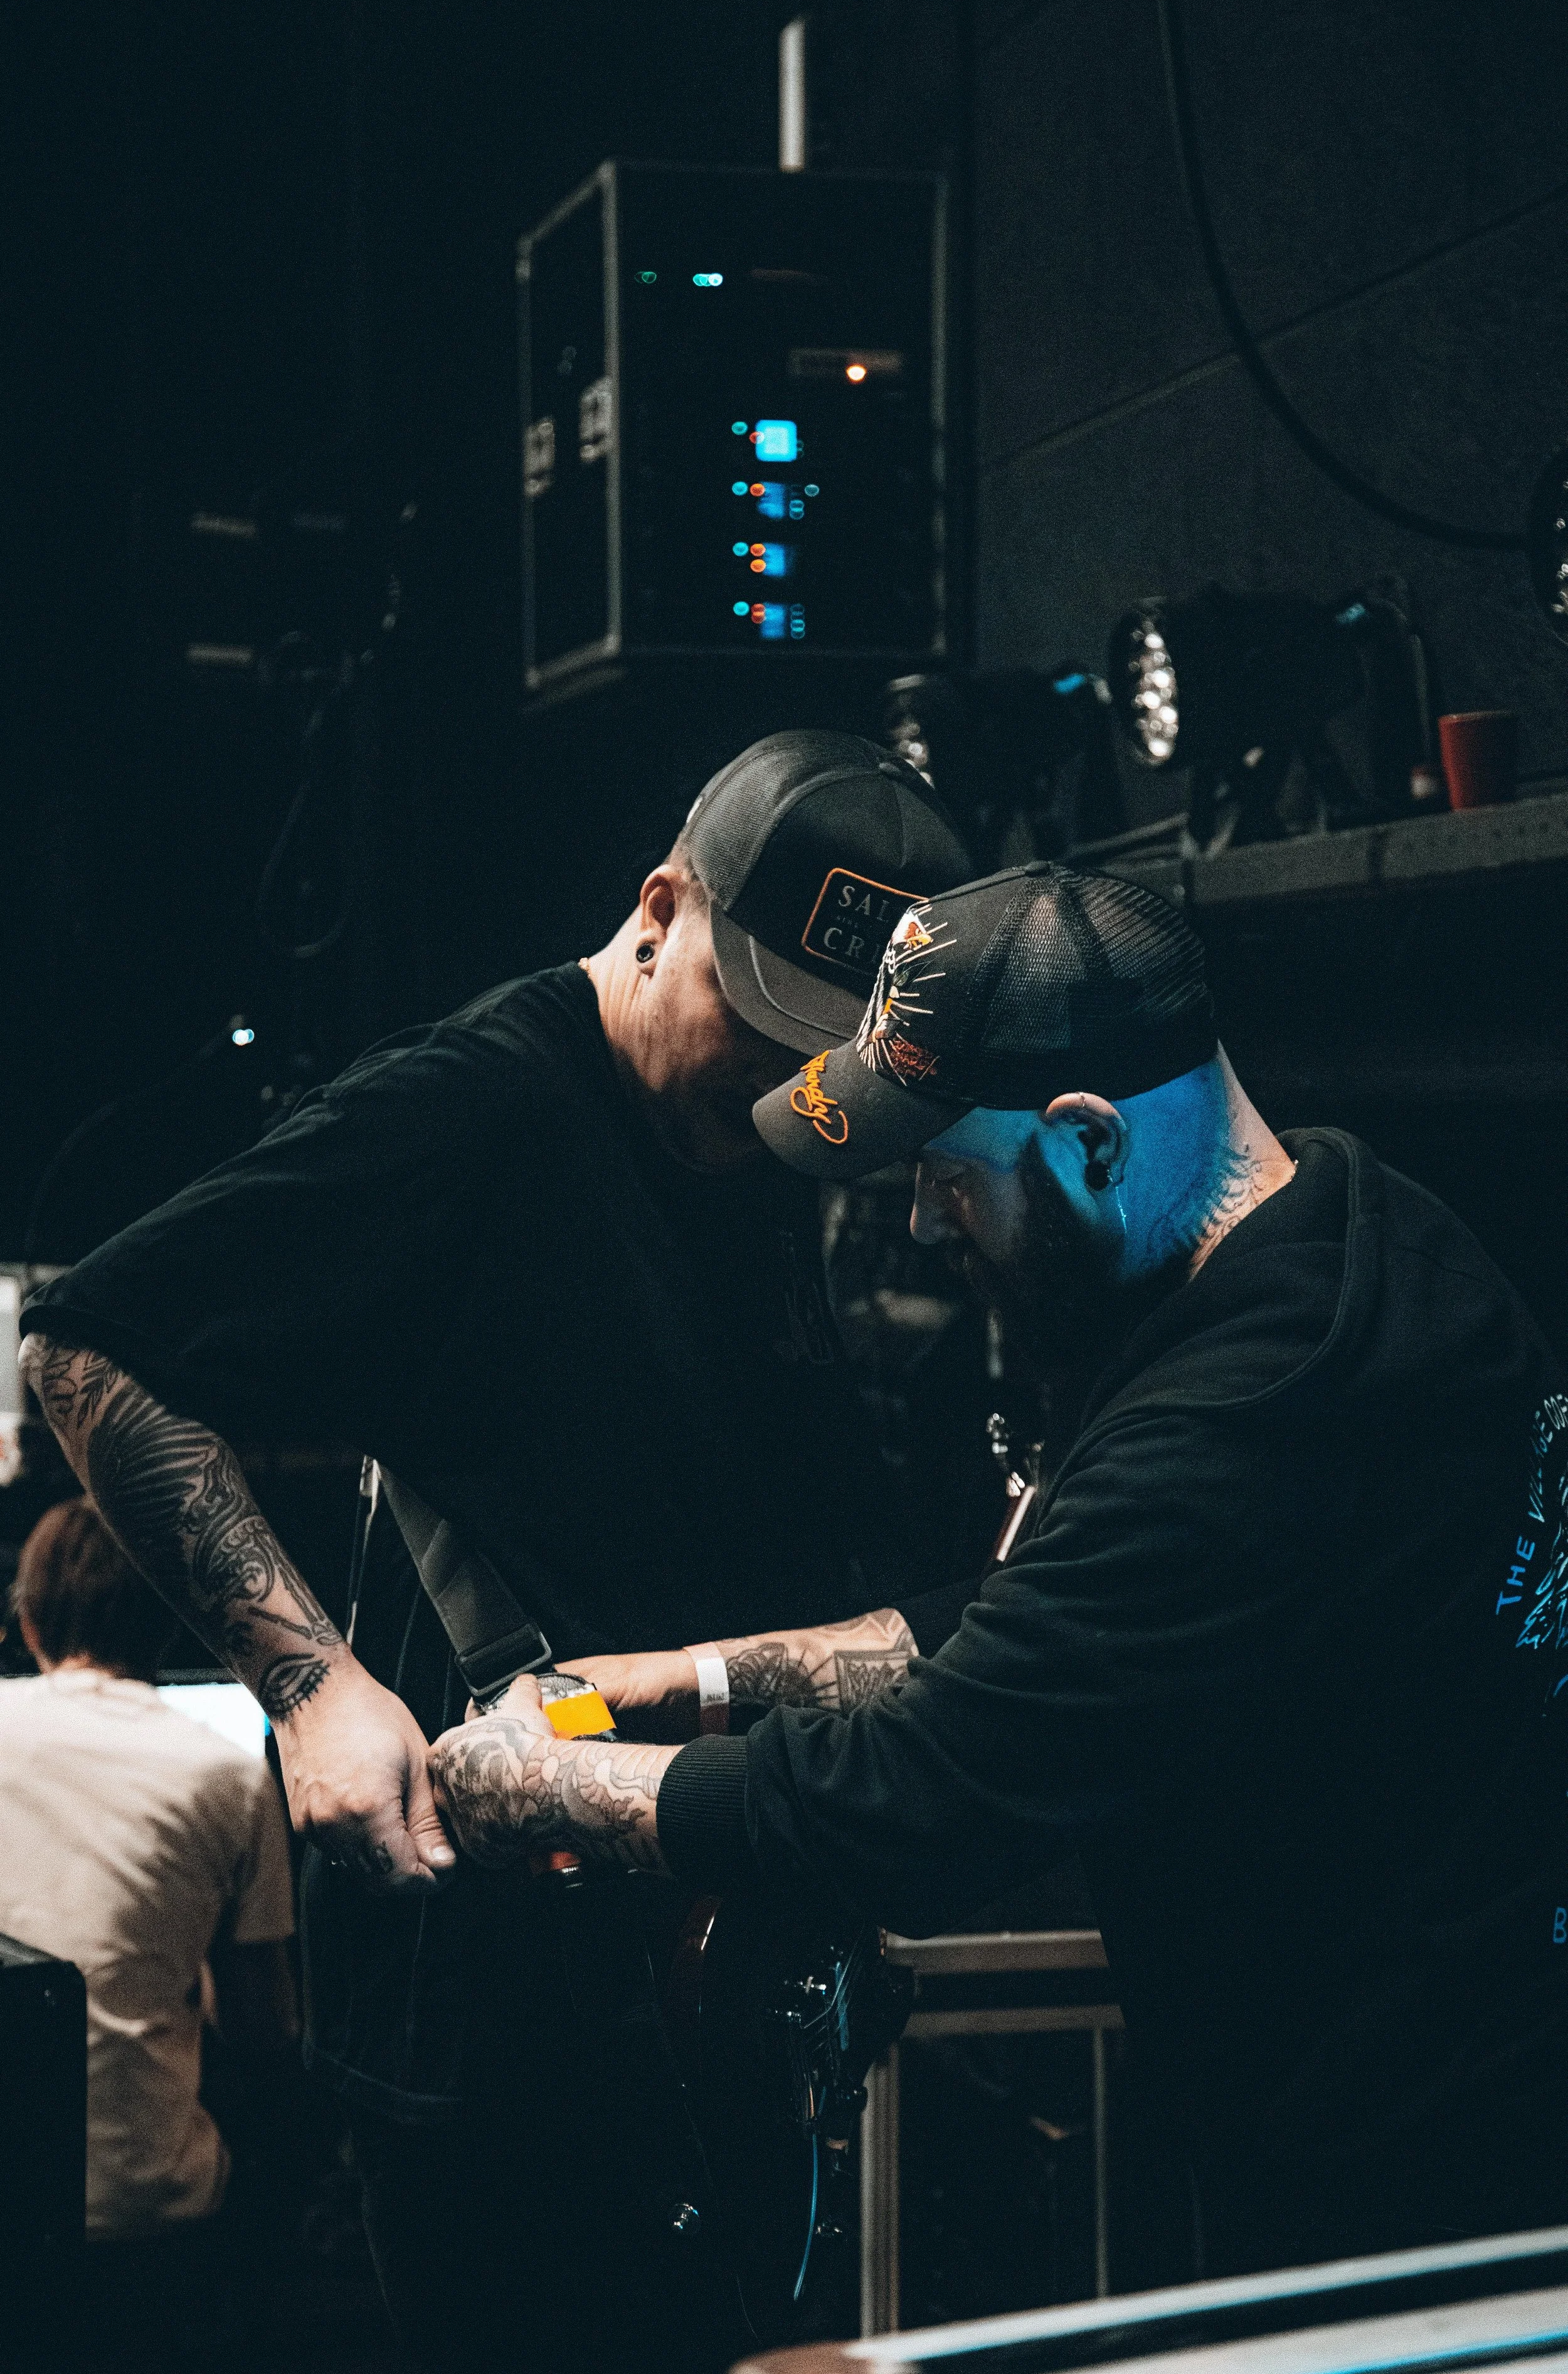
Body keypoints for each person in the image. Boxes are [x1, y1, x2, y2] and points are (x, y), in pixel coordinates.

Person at [18, 730, 972, 2374]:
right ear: (653, 907)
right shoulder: (468, 1108)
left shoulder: (756, 1146)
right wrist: (305, 1678)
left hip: (693, 1959)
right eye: (755, 1011)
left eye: (824, 1046)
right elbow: (94, 1344)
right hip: (495, 1997)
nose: (784, 1077)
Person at [428, 861, 1568, 2279]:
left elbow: (924, 1790)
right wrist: (697, 1678)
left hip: (1432, 2196)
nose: (920, 1222)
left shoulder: (1246, 1415)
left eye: (945, 1171)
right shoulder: (1361, 1222)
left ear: (1089, 1144)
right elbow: (1072, 1607)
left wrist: (556, 1784)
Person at [0, 1497, 296, 2242]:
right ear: (170, 1621)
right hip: (135, 2210)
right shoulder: (226, 1772)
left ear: (28, 1621)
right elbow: (263, 2029)